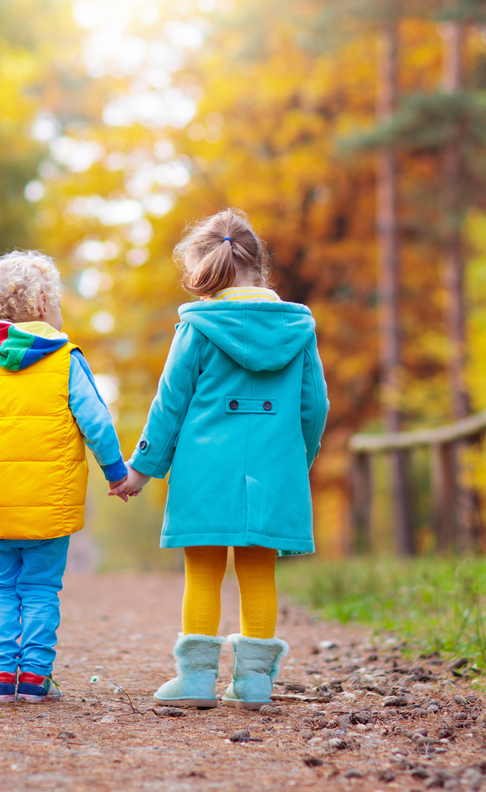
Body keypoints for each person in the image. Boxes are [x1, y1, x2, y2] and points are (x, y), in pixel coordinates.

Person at [111, 209, 329, 710]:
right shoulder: (298, 329)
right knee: (258, 571)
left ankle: (194, 682)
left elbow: (170, 403)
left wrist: (140, 469)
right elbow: (314, 406)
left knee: (204, 571)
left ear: (207, 271)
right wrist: (300, 457)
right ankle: (253, 685)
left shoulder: (198, 328)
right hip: (275, 469)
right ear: (259, 266)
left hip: (203, 472)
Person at [0, 250, 128, 704]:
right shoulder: (65, 361)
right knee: (40, 590)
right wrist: (117, 474)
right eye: (57, 302)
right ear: (42, 306)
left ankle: (0, 677)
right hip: (49, 508)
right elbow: (96, 422)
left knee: (0, 588)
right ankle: (35, 678)